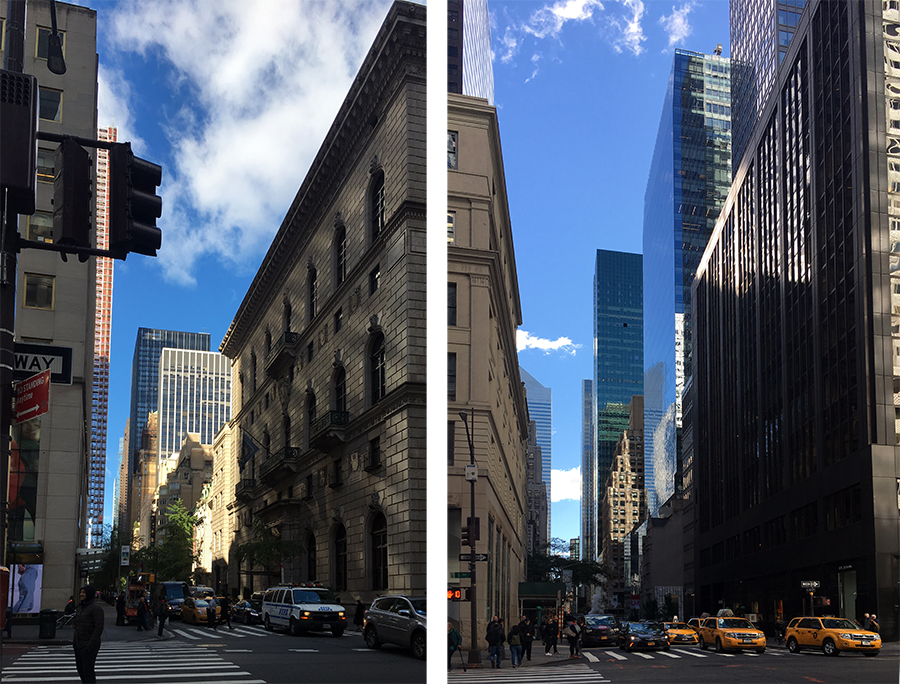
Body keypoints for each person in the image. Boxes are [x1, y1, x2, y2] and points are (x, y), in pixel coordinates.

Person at [73, 584, 104, 684]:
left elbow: (98, 628)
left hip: (88, 645)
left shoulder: (96, 609)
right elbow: (77, 625)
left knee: (88, 671)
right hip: (79, 644)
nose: (81, 594)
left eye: (83, 593)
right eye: (81, 592)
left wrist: (90, 646)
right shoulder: (81, 607)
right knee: (81, 669)